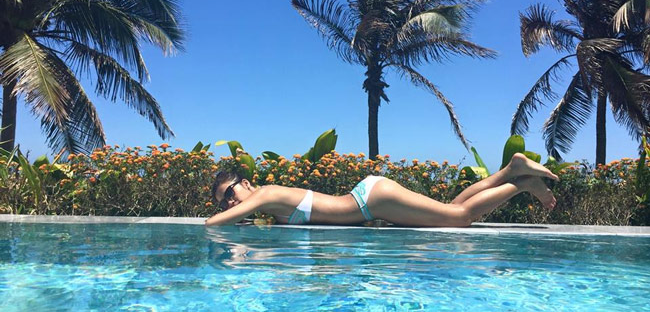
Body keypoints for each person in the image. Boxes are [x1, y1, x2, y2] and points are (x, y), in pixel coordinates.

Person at [205, 153, 558, 227]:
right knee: (452, 208)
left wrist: (223, 216)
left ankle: (522, 183)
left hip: (372, 201)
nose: (230, 203)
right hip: (370, 197)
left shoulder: (264, 194)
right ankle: (511, 170)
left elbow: (211, 225)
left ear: (246, 183)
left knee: (461, 218)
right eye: (224, 202)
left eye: (230, 193)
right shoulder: (267, 204)